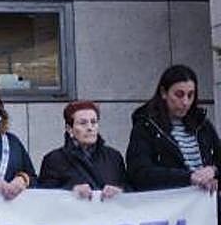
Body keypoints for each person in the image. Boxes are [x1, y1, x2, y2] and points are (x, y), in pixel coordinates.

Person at [126, 64, 220, 195]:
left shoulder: (202, 123)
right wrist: (188, 177)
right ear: (164, 93)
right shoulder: (146, 126)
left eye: (190, 95)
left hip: (205, 206)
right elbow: (139, 173)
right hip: (170, 205)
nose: (185, 102)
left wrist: (213, 171)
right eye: (179, 95)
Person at [38, 101, 127, 199]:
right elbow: (46, 196)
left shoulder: (114, 157)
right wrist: (70, 191)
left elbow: (130, 189)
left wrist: (120, 191)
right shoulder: (54, 160)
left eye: (93, 122)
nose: (90, 128)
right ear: (69, 129)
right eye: (83, 123)